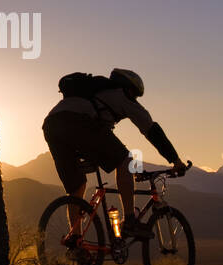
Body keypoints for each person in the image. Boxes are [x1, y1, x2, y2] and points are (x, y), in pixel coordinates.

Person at [42, 68, 186, 238]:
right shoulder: (122, 95)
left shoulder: (95, 94)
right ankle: (130, 222)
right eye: (135, 94)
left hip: (51, 125)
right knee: (126, 161)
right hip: (78, 122)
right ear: (128, 88)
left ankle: (75, 240)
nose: (135, 98)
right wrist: (175, 160)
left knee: (77, 186)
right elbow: (151, 129)